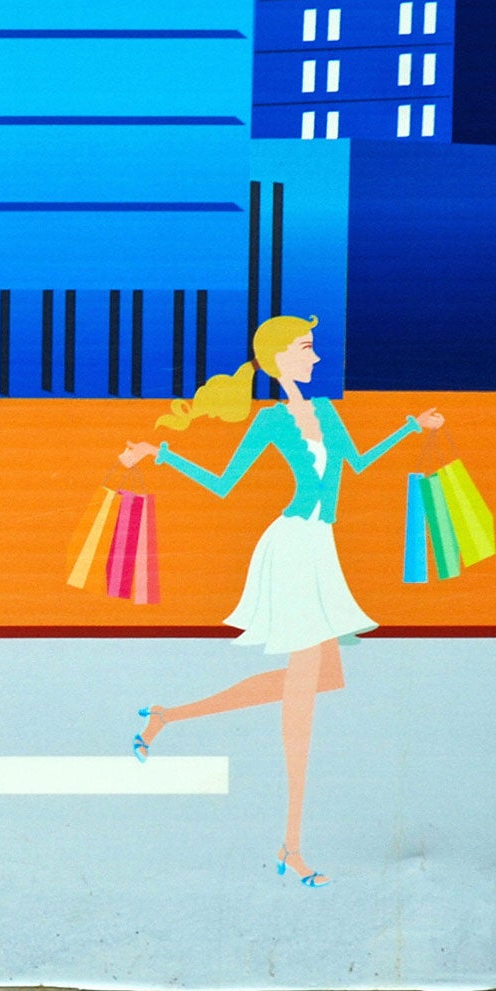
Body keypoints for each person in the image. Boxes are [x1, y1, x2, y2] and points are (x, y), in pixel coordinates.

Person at [119, 314, 442, 884]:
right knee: (304, 694)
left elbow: (359, 465)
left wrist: (410, 429)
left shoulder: (328, 414)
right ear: (279, 361)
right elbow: (223, 484)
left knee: (323, 678)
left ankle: (169, 715)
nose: (316, 358)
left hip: (321, 546)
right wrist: (162, 454)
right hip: (291, 549)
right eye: (306, 348)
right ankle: (291, 844)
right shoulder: (271, 422)